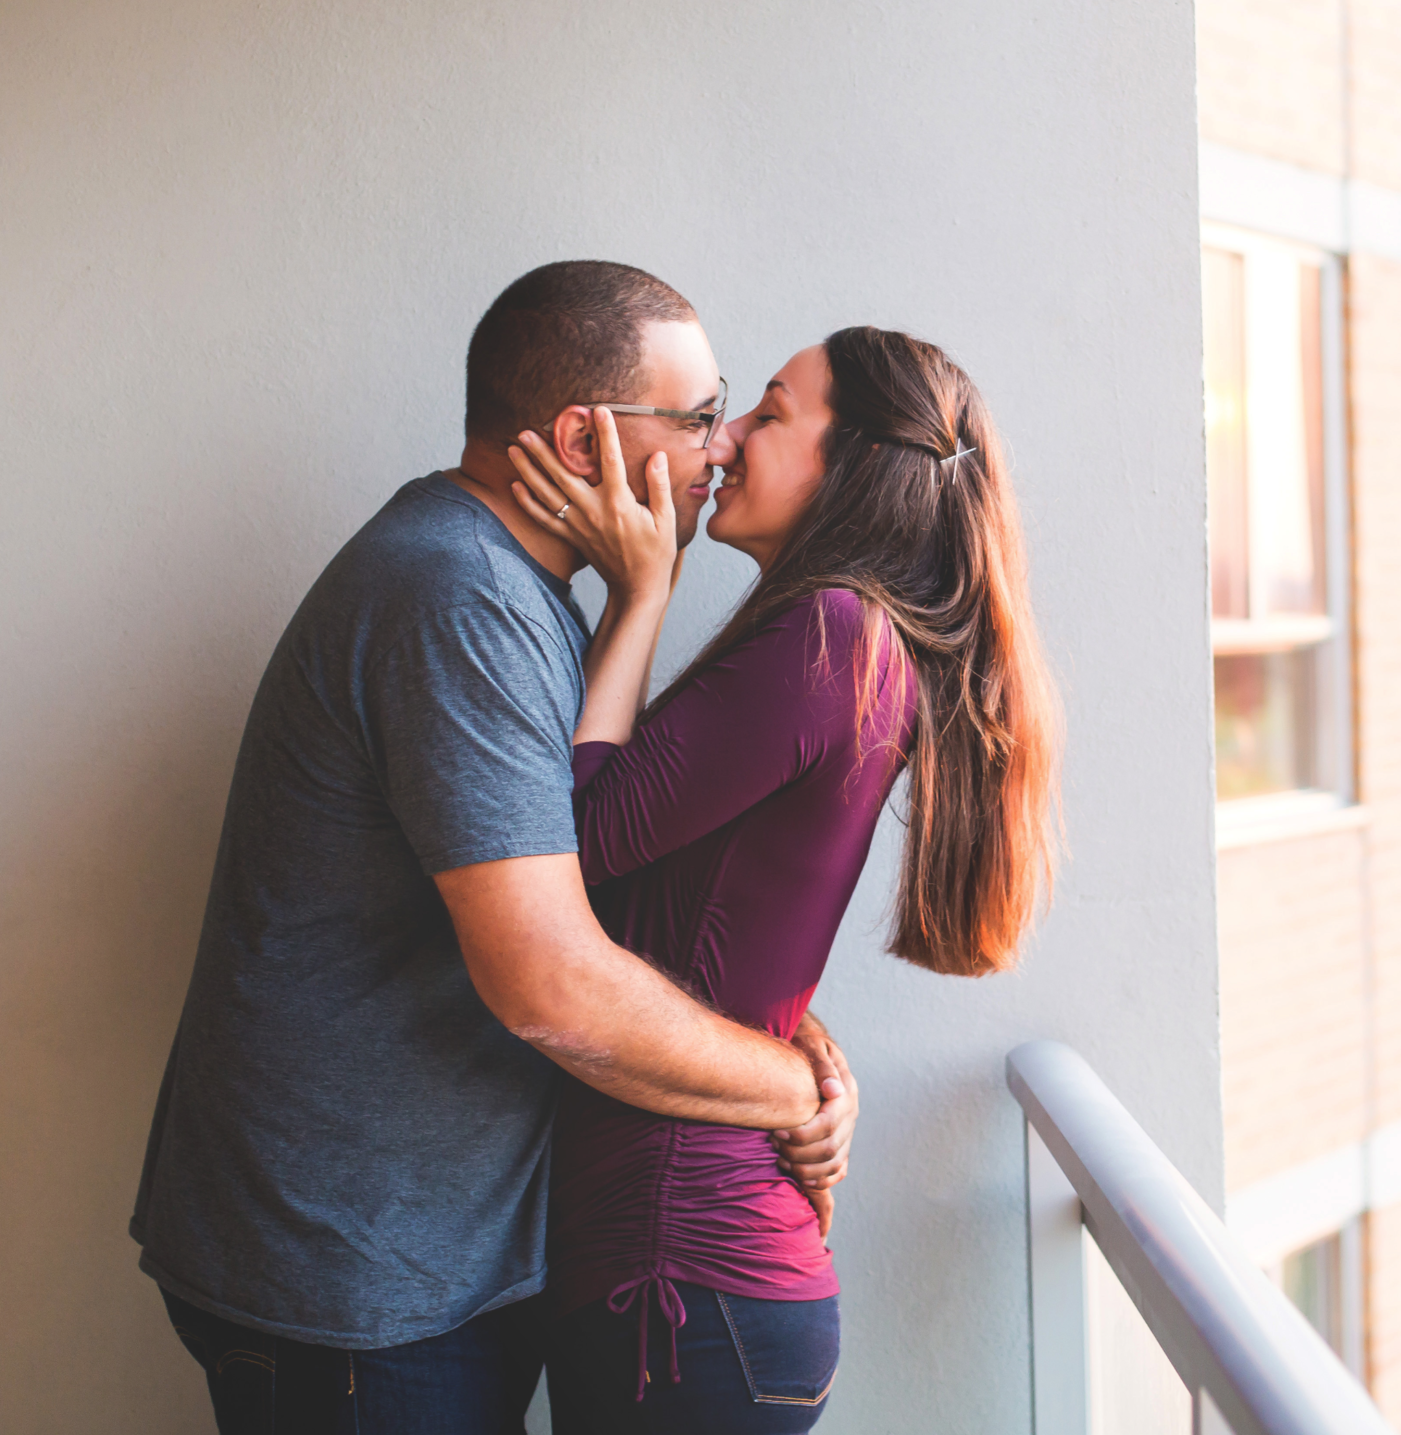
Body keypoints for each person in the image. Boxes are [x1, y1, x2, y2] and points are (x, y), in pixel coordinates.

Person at [131, 261, 861, 1433]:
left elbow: (594, 893)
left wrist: (792, 1036)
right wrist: (787, 1085)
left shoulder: (516, 591)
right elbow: (553, 982)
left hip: (413, 1255)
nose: (718, 448)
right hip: (356, 1285)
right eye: (697, 415)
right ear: (583, 439)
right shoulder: (458, 601)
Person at [499, 325, 1061, 1431]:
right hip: (689, 1282)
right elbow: (711, 916)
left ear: (849, 463)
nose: (732, 438)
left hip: (680, 1282)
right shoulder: (839, 638)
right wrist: (802, 1055)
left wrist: (640, 594)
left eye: (767, 410)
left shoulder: (831, 637)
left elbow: (567, 839)